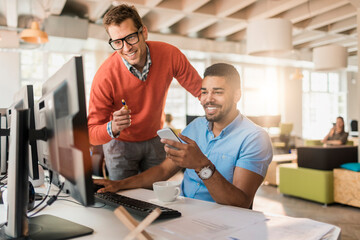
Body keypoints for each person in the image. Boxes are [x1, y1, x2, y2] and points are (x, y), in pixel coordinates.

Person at [94, 63, 273, 208]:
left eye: (218, 92)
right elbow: (163, 170)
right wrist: (119, 185)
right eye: (204, 92)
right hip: (183, 212)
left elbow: (241, 203)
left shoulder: (255, 138)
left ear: (236, 96)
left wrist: (202, 165)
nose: (208, 99)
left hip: (222, 222)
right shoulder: (196, 127)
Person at [87, 4, 202, 180]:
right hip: (120, 145)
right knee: (124, 199)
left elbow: (201, 91)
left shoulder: (170, 55)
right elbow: (92, 134)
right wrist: (113, 127)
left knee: (156, 197)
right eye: (117, 42)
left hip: (155, 139)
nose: (126, 48)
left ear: (144, 33)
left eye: (131, 37)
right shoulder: (104, 76)